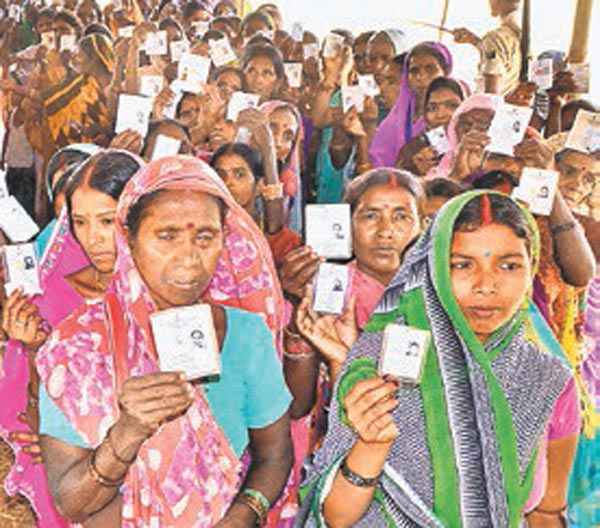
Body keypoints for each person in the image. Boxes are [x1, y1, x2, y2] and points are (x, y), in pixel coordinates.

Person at [36, 156, 294, 527]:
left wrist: (242, 516)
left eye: (205, 237)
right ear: (129, 239)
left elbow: (275, 454)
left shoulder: (244, 334)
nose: (188, 259)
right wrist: (127, 433)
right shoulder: (78, 347)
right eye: (167, 236)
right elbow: (71, 502)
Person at [298, 191, 580, 527]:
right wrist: (372, 443)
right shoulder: (385, 362)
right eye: (462, 265)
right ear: (431, 271)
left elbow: (547, 513)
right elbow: (336, 516)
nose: (486, 285)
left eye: (508, 265)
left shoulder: (547, 380)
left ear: (531, 268)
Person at [0, 149, 142, 528]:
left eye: (107, 221)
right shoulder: (56, 290)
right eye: (79, 222)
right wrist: (33, 347)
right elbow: (35, 392)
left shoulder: (165, 294)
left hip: (152, 460)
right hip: (77, 470)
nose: (93, 238)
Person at [369, 42, 453, 168]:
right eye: (414, 71)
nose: (421, 76)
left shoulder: (454, 112)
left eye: (430, 69)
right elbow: (376, 160)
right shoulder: (397, 117)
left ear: (445, 72)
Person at [396, 77, 468, 176]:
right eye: (433, 108)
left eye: (452, 105)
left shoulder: (479, 144)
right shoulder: (413, 151)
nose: (441, 115)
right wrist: (417, 172)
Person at [454, 0, 522, 95]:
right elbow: (496, 53)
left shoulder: (494, 38)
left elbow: (491, 95)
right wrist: (475, 41)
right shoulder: (519, 36)